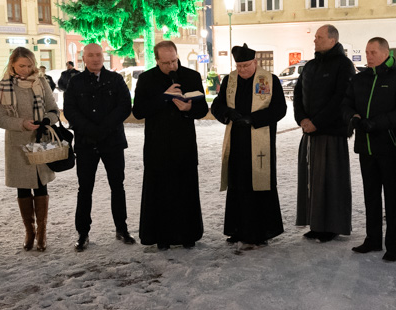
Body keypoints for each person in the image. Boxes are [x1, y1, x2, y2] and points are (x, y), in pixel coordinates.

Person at [343, 37, 396, 261]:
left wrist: (377, 123)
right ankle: (373, 239)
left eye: (373, 52)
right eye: (367, 52)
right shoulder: (360, 78)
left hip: (391, 147)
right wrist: (353, 117)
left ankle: (393, 245)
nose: (369, 56)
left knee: (393, 197)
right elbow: (346, 103)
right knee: (371, 195)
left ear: (385, 54)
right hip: (366, 147)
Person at [132, 40, 207, 250]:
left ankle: (188, 234)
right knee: (161, 193)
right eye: (166, 63)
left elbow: (202, 110)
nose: (172, 66)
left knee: (186, 191)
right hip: (158, 146)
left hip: (184, 145)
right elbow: (138, 111)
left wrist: (189, 108)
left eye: (174, 60)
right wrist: (164, 98)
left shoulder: (191, 76)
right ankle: (161, 236)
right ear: (157, 60)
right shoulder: (146, 79)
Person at [211, 44, 287, 247]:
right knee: (238, 185)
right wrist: (228, 113)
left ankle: (260, 231)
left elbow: (280, 109)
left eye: (246, 65)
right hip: (236, 141)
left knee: (259, 184)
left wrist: (253, 119)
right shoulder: (230, 80)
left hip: (260, 140)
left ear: (255, 62)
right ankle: (237, 228)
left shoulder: (269, 80)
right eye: (239, 66)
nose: (242, 70)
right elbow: (217, 105)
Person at [64, 43, 134, 251]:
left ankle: (121, 228)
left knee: (117, 186)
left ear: (103, 57)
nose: (95, 59)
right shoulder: (75, 82)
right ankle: (82, 232)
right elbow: (70, 110)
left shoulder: (115, 79)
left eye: (98, 55)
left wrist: (103, 128)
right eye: (91, 55)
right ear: (83, 58)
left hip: (112, 142)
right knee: (85, 189)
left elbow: (124, 106)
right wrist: (90, 129)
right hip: (86, 143)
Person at [0, 47, 59, 252]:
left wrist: (46, 120)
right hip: (17, 142)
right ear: (12, 64)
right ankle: (29, 231)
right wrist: (22, 123)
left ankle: (42, 232)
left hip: (41, 141)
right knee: (23, 186)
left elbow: (54, 110)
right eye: (22, 65)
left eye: (30, 65)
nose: (26, 69)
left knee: (41, 184)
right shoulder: (2, 86)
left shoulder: (41, 82)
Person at [294, 25, 356, 242]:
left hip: (331, 133)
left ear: (332, 40)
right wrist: (301, 119)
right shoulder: (310, 66)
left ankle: (332, 226)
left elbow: (341, 99)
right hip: (309, 132)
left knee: (331, 181)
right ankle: (316, 223)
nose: (315, 41)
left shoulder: (344, 65)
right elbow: (297, 93)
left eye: (319, 37)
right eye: (315, 37)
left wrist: (317, 122)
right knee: (311, 180)